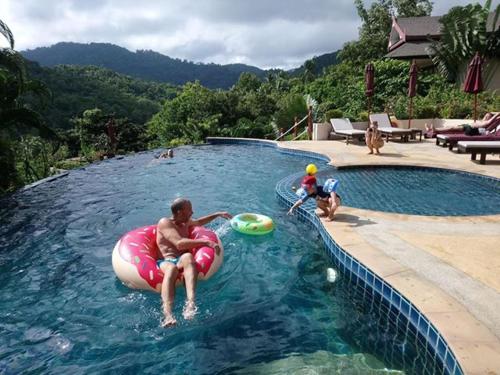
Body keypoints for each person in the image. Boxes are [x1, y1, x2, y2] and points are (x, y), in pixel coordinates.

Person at [156, 198, 232, 327]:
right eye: (189, 210)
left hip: (181, 260)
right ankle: (168, 315)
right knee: (172, 269)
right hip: (166, 261)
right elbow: (179, 244)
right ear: (180, 212)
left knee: (188, 256)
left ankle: (190, 304)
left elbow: (199, 222)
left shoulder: (185, 222)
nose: (192, 212)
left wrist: (218, 214)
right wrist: (206, 242)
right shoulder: (165, 222)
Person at [424, 112, 500, 137]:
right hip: (468, 127)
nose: (486, 115)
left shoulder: (486, 122)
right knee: (450, 128)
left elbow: (493, 121)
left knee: (451, 128)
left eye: (487, 115)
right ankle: (431, 130)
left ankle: (434, 130)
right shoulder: (482, 121)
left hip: (470, 129)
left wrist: (496, 115)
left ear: (490, 117)